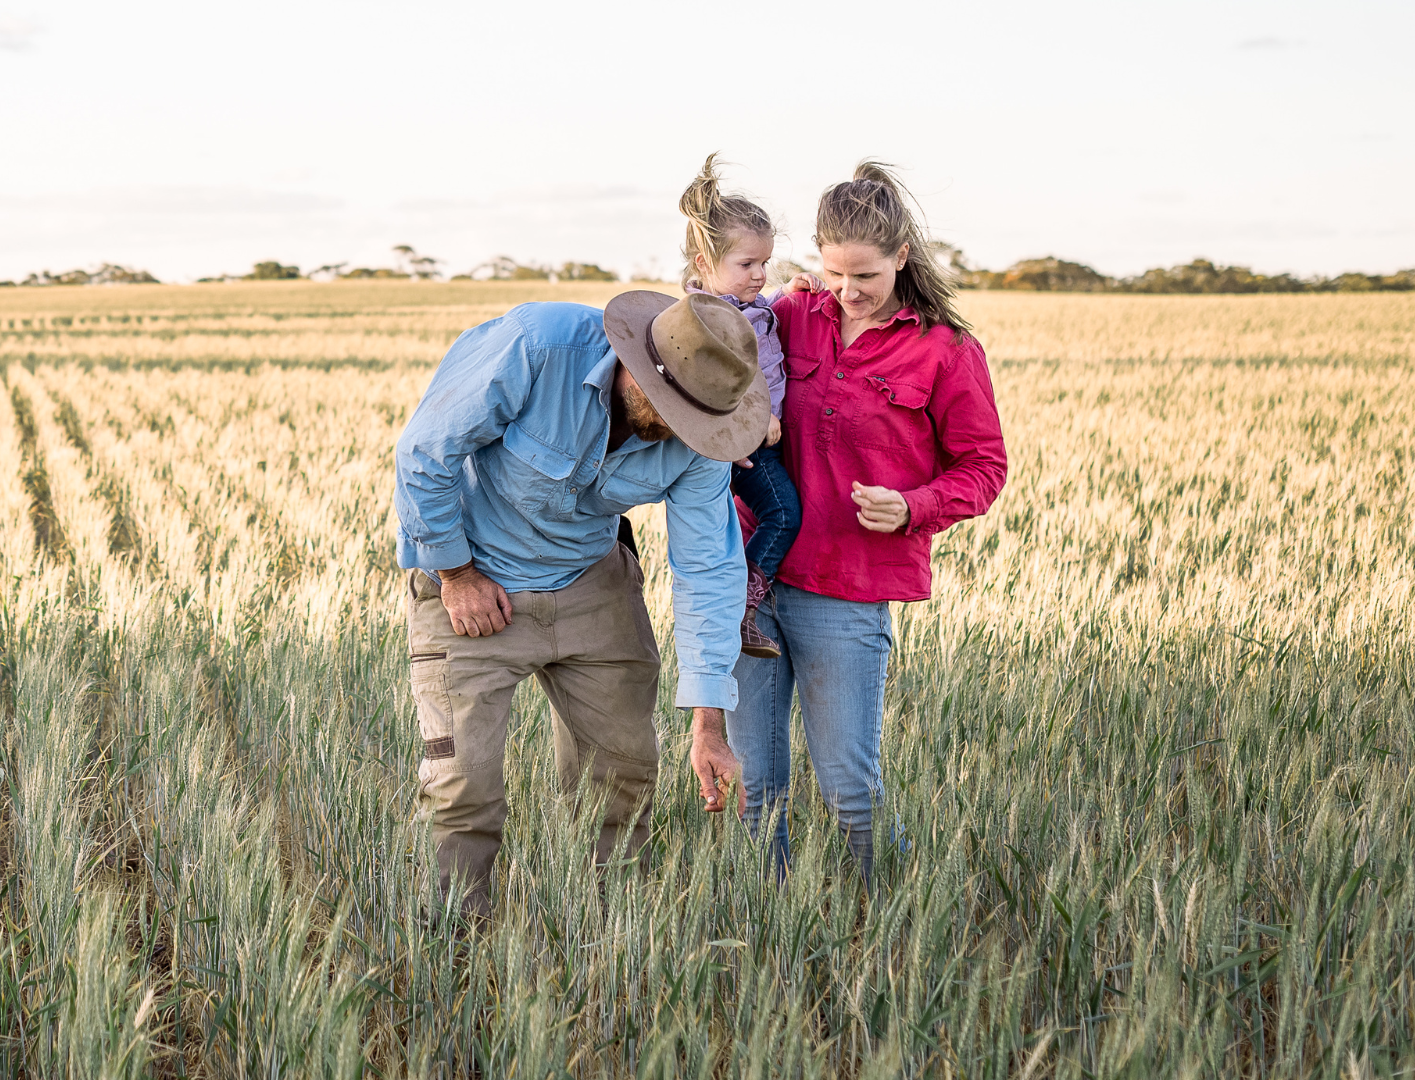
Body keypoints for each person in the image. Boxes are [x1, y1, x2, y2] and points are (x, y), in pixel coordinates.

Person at [394, 290, 769, 919]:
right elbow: (425, 452)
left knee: (623, 776)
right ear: (639, 364)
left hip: (590, 581)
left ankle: (604, 933)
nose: (685, 432)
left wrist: (710, 723)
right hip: (472, 574)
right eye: (675, 410)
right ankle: (455, 948)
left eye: (699, 421)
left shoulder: (707, 439)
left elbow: (707, 571)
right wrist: (456, 574)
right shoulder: (538, 345)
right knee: (464, 786)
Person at [728, 162, 1008, 887]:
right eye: (833, 275)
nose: (847, 294)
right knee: (756, 792)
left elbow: (984, 468)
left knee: (850, 791)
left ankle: (886, 926)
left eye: (866, 278)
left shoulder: (946, 351)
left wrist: (913, 506)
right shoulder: (790, 316)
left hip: (846, 593)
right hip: (750, 583)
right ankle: (770, 927)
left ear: (902, 258)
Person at [677, 153, 808, 660]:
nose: (759, 274)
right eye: (747, 264)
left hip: (755, 441)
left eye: (764, 264)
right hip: (742, 447)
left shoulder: (739, 305)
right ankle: (742, 612)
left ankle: (737, 608)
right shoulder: (703, 319)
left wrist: (783, 294)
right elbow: (706, 389)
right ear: (704, 265)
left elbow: (754, 321)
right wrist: (752, 422)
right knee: (781, 515)